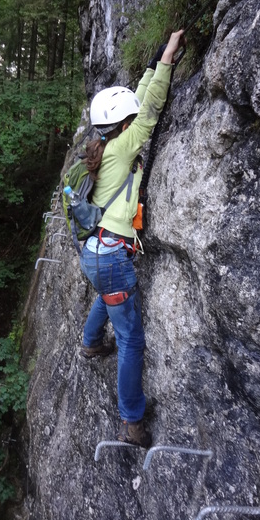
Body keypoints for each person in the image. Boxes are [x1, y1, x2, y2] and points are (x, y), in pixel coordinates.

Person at [79, 29, 186, 448]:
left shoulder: (104, 142)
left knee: (107, 293)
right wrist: (166, 62)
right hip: (111, 256)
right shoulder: (125, 147)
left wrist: (154, 61)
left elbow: (136, 104)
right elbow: (151, 107)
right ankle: (132, 421)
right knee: (130, 339)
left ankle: (89, 344)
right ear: (123, 124)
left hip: (93, 251)